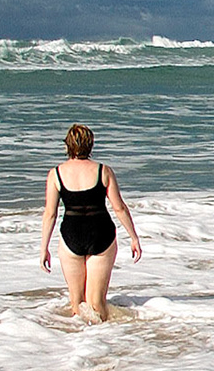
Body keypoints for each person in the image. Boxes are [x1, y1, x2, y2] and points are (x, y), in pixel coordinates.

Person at [38, 123, 142, 323]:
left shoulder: (56, 174)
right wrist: (134, 237)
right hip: (102, 235)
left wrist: (44, 248)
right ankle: (103, 343)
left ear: (67, 145)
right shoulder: (103, 171)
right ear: (90, 145)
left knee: (77, 304)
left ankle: (81, 347)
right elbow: (119, 207)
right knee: (97, 303)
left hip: (71, 237)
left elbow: (50, 213)